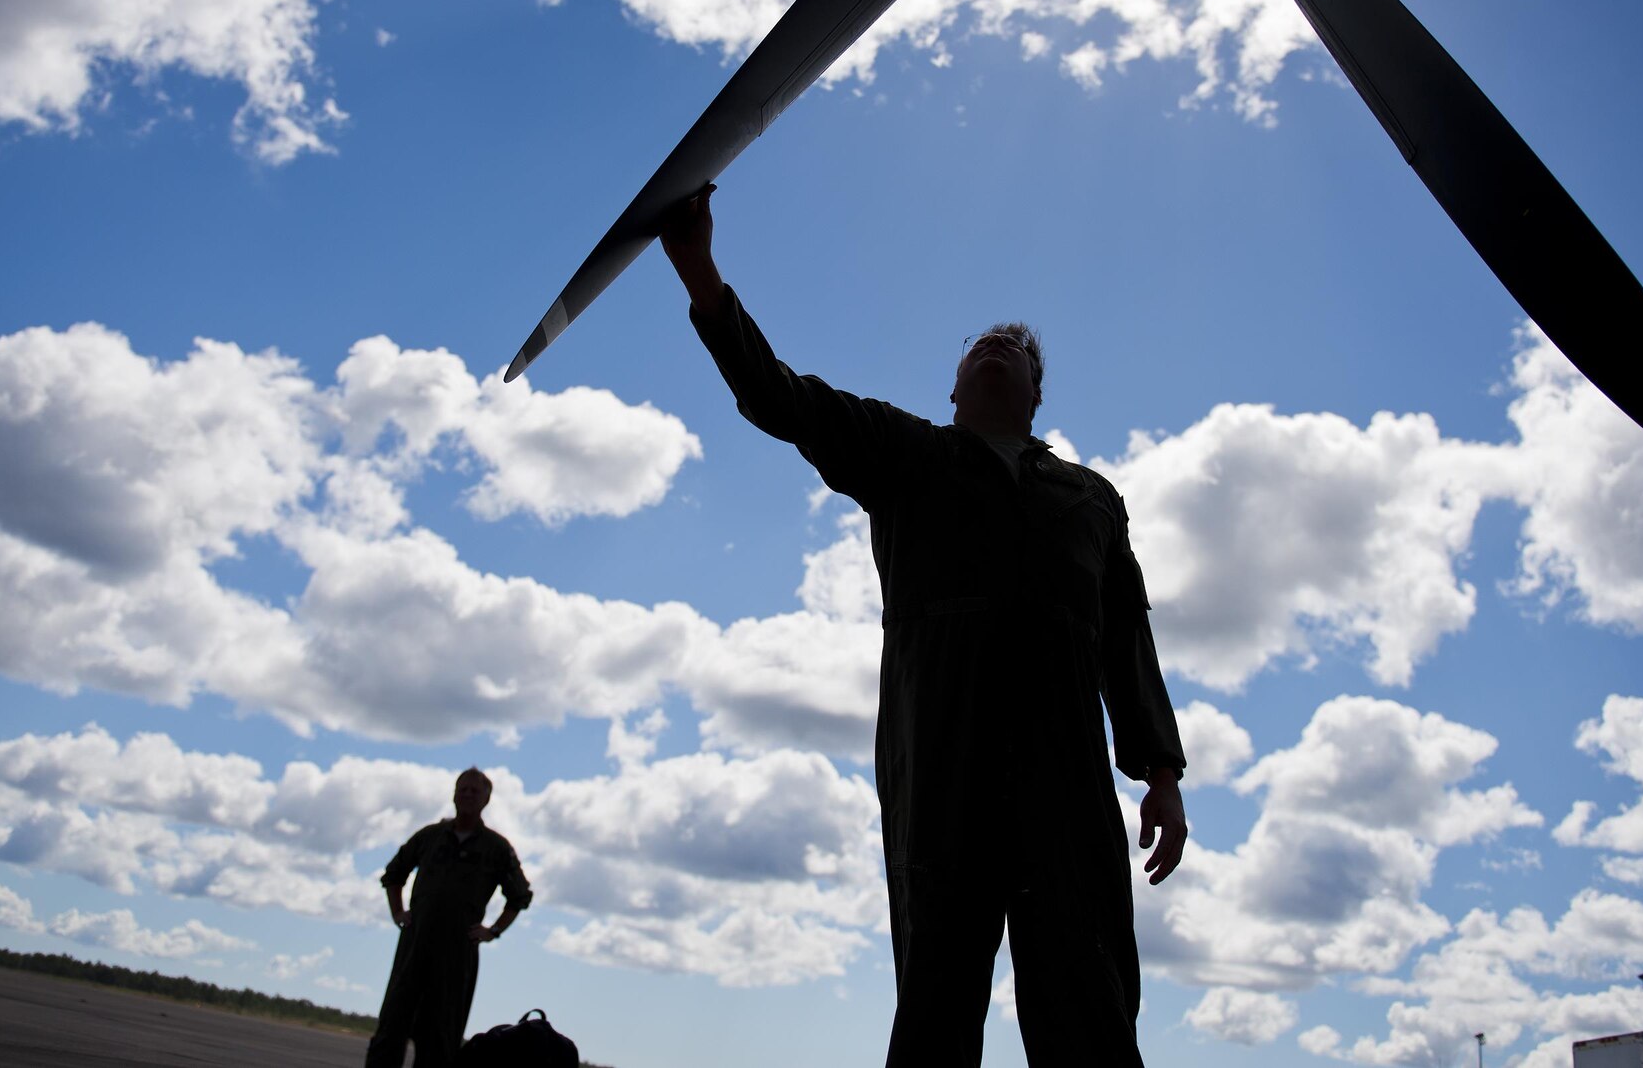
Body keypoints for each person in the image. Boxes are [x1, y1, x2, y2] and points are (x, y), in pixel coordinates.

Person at [659, 184, 1188, 1067]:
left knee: (1090, 1002)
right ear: (953, 387)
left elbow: (1128, 639)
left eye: (1015, 350)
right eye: (981, 344)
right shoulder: (905, 455)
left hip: (1065, 778)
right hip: (940, 761)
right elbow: (781, 397)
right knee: (937, 1007)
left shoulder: (1093, 501)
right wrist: (698, 269)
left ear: (1035, 393)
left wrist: (1161, 772)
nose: (996, 348)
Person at [366, 768, 533, 1068]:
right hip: (415, 945)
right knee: (392, 1027)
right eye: (463, 789)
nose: (468, 794)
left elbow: (520, 896)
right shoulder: (430, 837)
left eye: (475, 791)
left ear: (486, 799)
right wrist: (398, 913)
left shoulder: (496, 848)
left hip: (457, 953)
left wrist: (492, 930)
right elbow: (394, 874)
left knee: (440, 1037)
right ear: (454, 794)